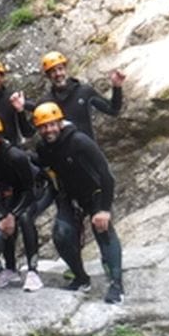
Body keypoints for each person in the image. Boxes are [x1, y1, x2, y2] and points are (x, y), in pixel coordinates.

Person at [32, 102, 125, 304]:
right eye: (43, 127)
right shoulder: (43, 147)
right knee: (61, 234)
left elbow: (106, 175)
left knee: (103, 230)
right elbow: (42, 165)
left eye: (51, 124)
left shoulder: (79, 141)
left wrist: (104, 209)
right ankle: (81, 278)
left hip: (94, 193)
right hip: (70, 197)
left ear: (60, 123)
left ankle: (117, 285)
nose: (48, 130)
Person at [0, 114, 42, 291]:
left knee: (25, 218)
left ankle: (33, 271)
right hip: (13, 192)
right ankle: (11, 268)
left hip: (35, 189)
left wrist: (13, 215)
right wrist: (3, 215)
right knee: (4, 222)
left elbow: (30, 189)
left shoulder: (15, 156)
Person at [21, 51, 126, 141]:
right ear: (48, 76)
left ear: (65, 70)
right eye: (53, 71)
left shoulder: (84, 92)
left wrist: (117, 87)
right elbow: (28, 133)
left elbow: (113, 110)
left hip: (89, 151)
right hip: (63, 155)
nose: (58, 74)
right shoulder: (45, 103)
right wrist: (20, 111)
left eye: (60, 69)